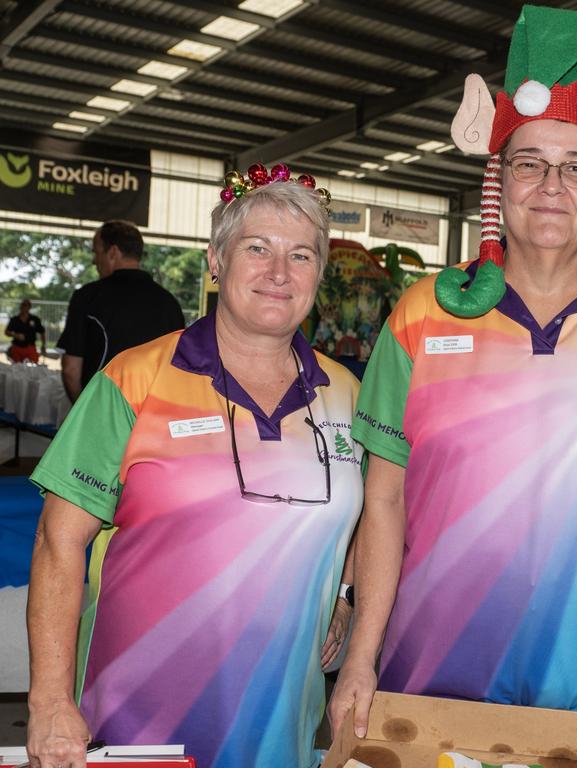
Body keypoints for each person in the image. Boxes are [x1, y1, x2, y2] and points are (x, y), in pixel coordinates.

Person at [330, 6, 577, 765]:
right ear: (497, 178)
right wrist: (361, 659)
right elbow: (384, 497)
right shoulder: (420, 314)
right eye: (529, 161)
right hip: (432, 673)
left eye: (576, 166)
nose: (550, 186)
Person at [26, 170, 364, 768]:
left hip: (281, 728)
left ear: (319, 274)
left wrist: (341, 591)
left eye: (301, 255)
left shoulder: (346, 392)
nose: (278, 272)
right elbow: (58, 541)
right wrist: (50, 699)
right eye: (257, 248)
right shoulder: (135, 379)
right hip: (137, 725)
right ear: (215, 260)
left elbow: (372, 509)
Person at [59, 219, 185, 402]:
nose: (94, 261)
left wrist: (82, 412)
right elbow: (178, 369)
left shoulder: (88, 297)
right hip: (151, 412)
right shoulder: (170, 303)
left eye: (96, 252)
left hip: (103, 409)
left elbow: (71, 369)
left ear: (113, 253)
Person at [5, 298, 45, 363]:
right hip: (17, 347)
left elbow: (42, 332)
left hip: (30, 347)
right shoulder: (14, 319)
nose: (23, 307)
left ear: (29, 307)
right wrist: (15, 335)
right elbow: (7, 332)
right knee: (16, 367)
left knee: (32, 365)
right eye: (22, 305)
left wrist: (43, 345)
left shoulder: (35, 319)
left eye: (25, 305)